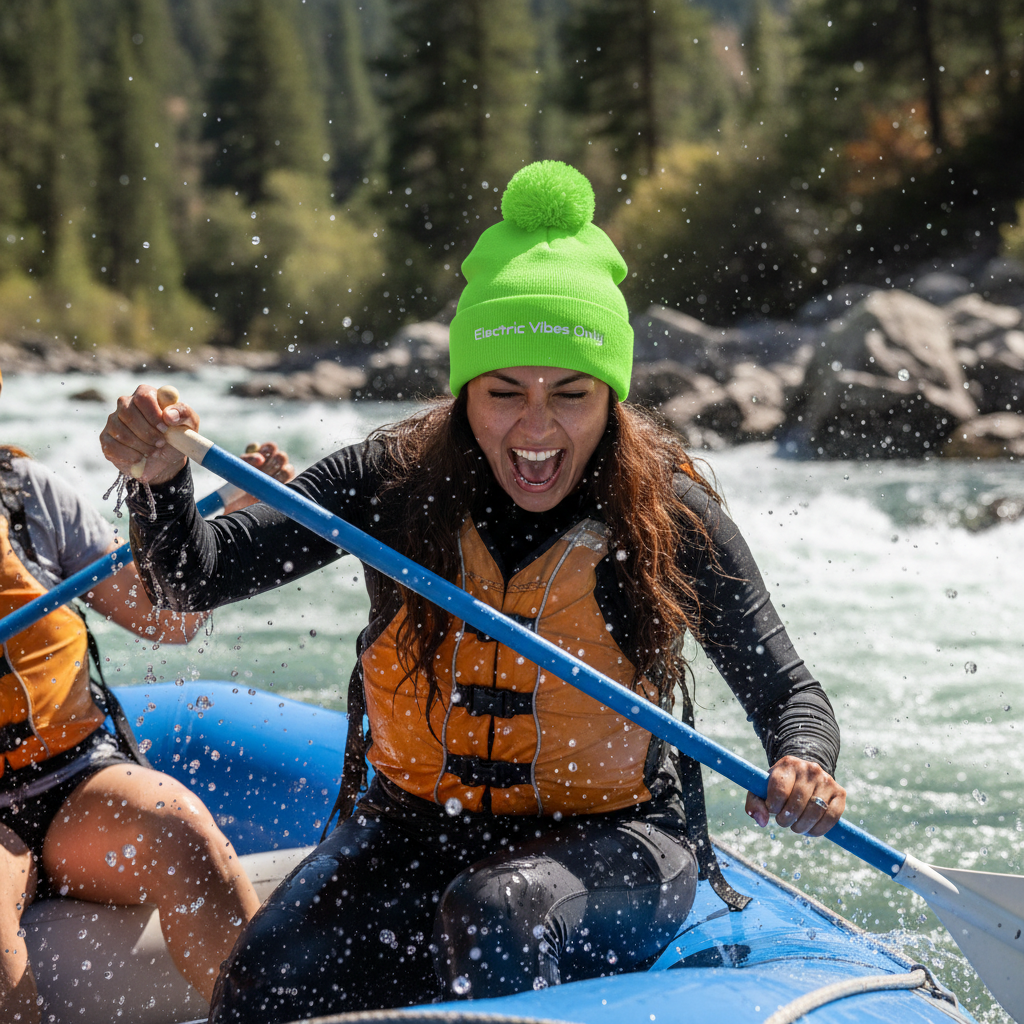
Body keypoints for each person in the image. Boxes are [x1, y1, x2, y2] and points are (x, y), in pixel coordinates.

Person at [100, 160, 846, 1023]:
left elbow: (790, 693)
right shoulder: (390, 481)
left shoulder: (669, 514)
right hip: (414, 828)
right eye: (502, 393)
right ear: (463, 395)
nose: (535, 428)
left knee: (497, 911)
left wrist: (805, 763)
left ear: (610, 397)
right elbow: (193, 576)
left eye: (569, 394)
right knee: (267, 980)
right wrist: (159, 482)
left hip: (622, 843)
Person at [0, 366, 295, 1023]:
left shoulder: (29, 495)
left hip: (74, 781)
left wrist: (233, 523)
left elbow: (168, 617)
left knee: (180, 828)